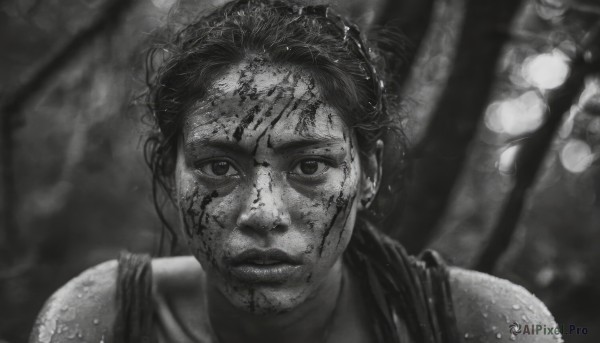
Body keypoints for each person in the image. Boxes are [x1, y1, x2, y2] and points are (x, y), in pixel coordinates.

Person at [30, 1, 562, 342]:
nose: (263, 213)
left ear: (368, 173)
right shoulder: (98, 320)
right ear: (172, 173)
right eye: (218, 165)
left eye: (309, 165)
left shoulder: (488, 327)